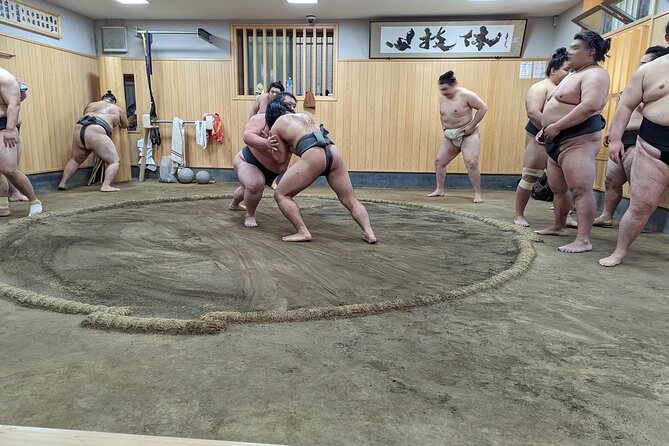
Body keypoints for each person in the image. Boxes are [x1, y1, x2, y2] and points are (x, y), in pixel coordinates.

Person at [534, 32, 611, 253]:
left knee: (580, 189)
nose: (569, 51)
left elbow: (589, 106)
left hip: (578, 139)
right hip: (556, 139)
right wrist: (546, 129)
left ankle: (583, 240)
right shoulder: (574, 74)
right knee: (558, 188)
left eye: (575, 47)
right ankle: (558, 226)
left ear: (591, 51)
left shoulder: (596, 75)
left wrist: (557, 126)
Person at [265, 99, 377, 243]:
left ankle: (302, 232)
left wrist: (270, 146)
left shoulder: (277, 124)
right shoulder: (304, 116)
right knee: (350, 199)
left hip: (314, 156)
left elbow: (280, 160)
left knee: (281, 194)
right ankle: (369, 233)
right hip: (332, 151)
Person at [599, 46, 669, 267]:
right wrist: (617, 139)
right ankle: (619, 252)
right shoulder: (649, 70)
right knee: (641, 204)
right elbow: (625, 105)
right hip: (653, 145)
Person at [514, 48, 571, 227]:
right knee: (530, 176)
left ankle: (565, 216)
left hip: (565, 137)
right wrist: (548, 130)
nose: (570, 73)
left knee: (566, 181)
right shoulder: (540, 87)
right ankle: (519, 215)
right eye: (566, 70)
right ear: (554, 70)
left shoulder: (569, 88)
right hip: (539, 135)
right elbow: (533, 112)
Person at [229, 92, 297, 227]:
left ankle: (234, 204)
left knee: (246, 189)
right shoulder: (261, 119)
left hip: (273, 172)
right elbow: (247, 136)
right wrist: (266, 143)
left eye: (294, 105)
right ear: (277, 103)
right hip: (247, 160)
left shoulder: (293, 126)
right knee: (255, 184)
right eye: (288, 104)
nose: (292, 108)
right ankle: (250, 215)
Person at [428, 70, 488, 203]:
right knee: (439, 162)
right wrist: (443, 128)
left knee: (471, 163)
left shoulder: (466, 95)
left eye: (446, 89)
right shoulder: (442, 98)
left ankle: (477, 193)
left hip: (468, 134)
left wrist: (472, 126)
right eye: (441, 89)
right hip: (450, 135)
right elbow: (442, 114)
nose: (444, 92)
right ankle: (439, 189)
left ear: (454, 85)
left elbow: (483, 108)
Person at [58, 90, 128, 192]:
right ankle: (106, 186)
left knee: (75, 160)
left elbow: (86, 115)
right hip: (96, 130)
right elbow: (125, 125)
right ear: (114, 101)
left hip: (79, 128)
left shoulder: (91, 105)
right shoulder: (117, 109)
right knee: (114, 161)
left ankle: (63, 183)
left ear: (102, 99)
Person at [0, 68, 42, 217]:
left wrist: (11, 129)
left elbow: (14, 103)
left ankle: (34, 201)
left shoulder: (4, 77)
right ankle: (2, 208)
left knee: (9, 169)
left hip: (4, 126)